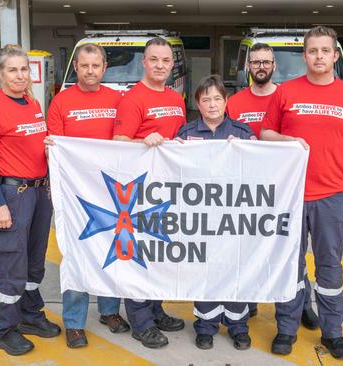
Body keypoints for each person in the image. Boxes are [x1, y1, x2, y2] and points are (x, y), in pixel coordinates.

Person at [261, 26, 343, 359]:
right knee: (289, 267)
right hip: (290, 197)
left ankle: (332, 332)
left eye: (326, 51)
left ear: (335, 55)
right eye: (313, 51)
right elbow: (266, 133)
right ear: (304, 55)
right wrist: (287, 140)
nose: (319, 56)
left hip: (331, 197)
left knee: (329, 270)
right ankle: (286, 328)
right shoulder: (285, 93)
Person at [226, 42, 319, 330]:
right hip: (247, 187)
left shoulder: (287, 96)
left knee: (291, 248)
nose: (261, 67)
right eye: (255, 62)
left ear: (274, 65)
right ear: (248, 67)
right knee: (247, 244)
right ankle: (249, 300)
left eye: (266, 62)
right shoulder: (235, 102)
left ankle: (302, 303)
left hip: (283, 187)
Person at [0, 44, 61, 356]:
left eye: (24, 69)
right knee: (13, 262)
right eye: (12, 70)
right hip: (13, 194)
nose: (19, 75)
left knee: (35, 259)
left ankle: (30, 316)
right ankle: (6, 329)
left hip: (39, 191)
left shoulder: (32, 102)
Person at [45, 43, 130, 349]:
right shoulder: (61, 102)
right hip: (75, 195)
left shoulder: (118, 100)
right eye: (84, 66)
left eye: (96, 66)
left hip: (111, 193)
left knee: (112, 253)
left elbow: (125, 141)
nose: (90, 71)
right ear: (76, 68)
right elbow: (55, 147)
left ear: (104, 68)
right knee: (78, 256)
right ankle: (75, 322)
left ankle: (110, 311)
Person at [113, 37, 187, 349]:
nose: (159, 65)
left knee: (157, 255)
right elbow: (118, 142)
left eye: (165, 60)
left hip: (167, 190)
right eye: (154, 59)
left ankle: (156, 311)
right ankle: (141, 323)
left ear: (172, 65)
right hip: (138, 191)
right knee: (138, 258)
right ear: (144, 62)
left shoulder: (176, 97)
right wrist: (144, 141)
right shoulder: (132, 99)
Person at [177, 74, 254, 351]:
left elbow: (262, 170)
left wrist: (249, 150)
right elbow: (173, 174)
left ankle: (238, 326)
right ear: (197, 103)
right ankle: (206, 326)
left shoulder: (243, 133)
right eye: (206, 99)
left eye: (217, 98)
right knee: (205, 271)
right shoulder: (185, 134)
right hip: (201, 220)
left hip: (235, 218)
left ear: (226, 101)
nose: (212, 104)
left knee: (235, 270)